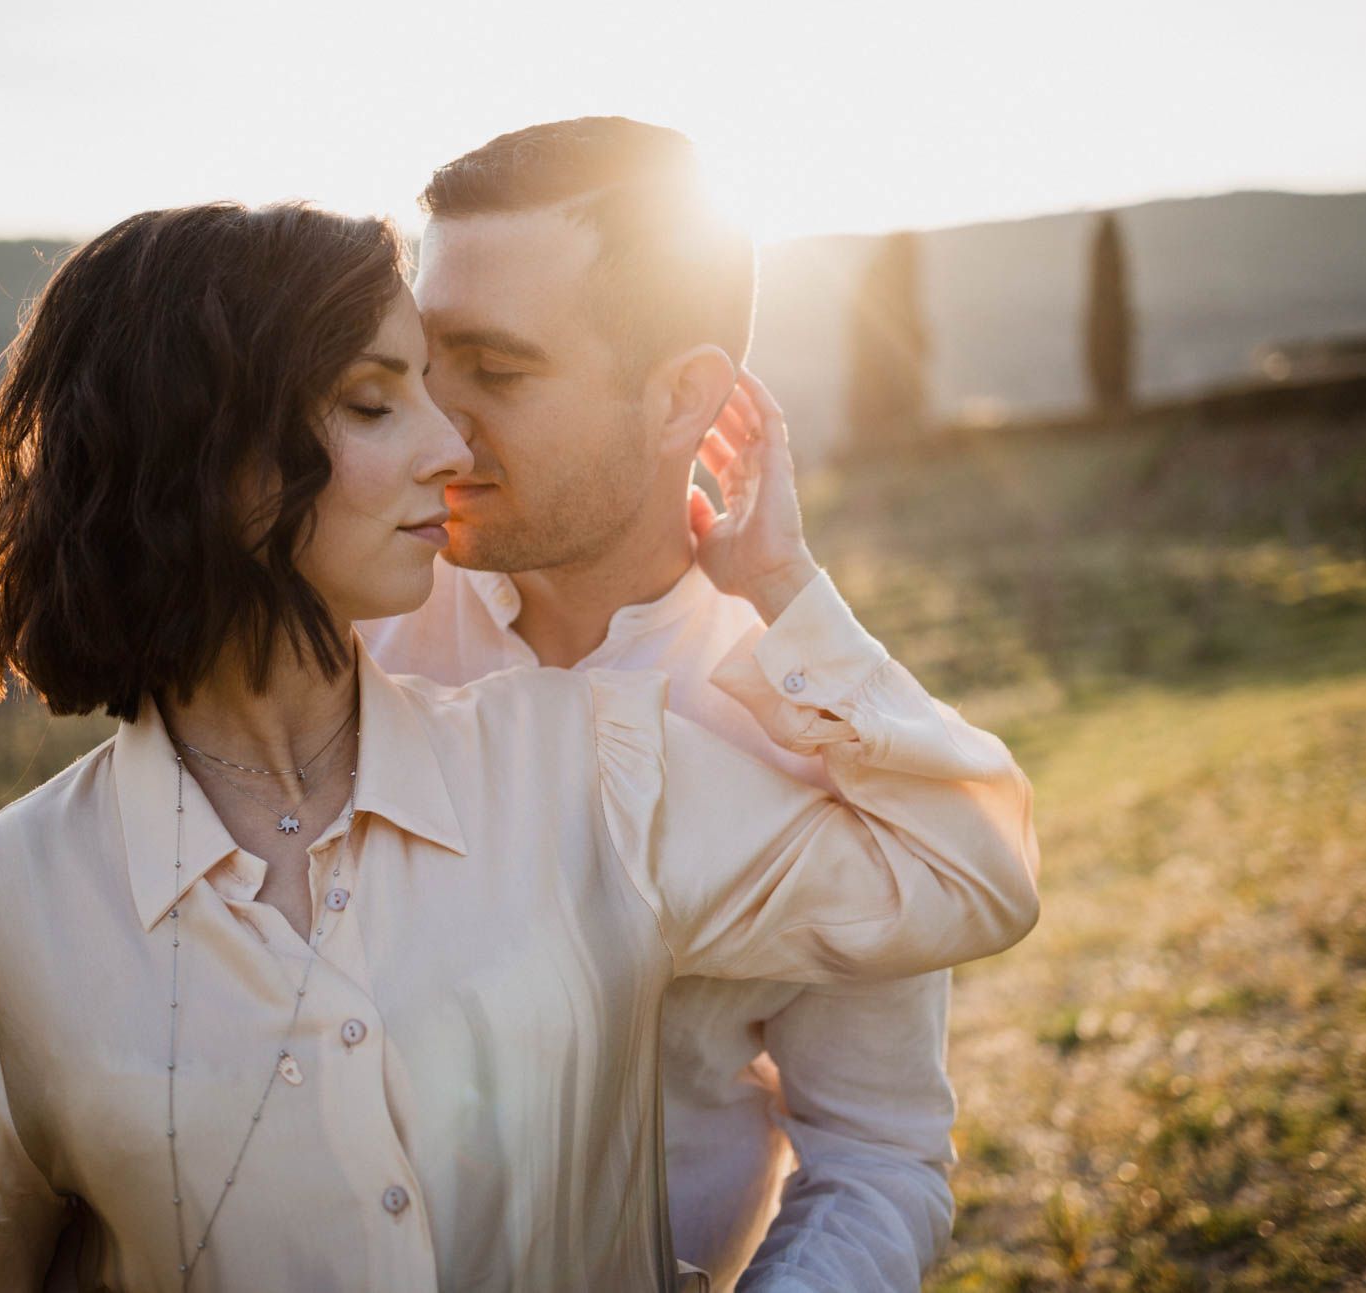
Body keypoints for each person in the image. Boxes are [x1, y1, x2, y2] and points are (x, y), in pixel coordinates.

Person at [0, 199, 1038, 1292]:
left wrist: (788, 594)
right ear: (205, 453)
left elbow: (958, 909)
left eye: (493, 374)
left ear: (678, 394)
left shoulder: (593, 762)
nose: (450, 445)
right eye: (385, 397)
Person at [361, 118, 964, 1291]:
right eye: (423, 365)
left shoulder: (814, 733)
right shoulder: (340, 638)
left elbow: (880, 1157)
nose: (438, 426)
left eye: (496, 369)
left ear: (684, 393)